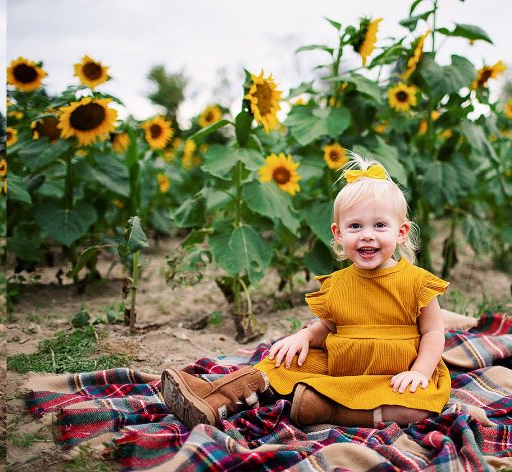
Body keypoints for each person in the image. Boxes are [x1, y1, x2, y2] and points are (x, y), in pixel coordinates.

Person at [161, 152, 451, 429]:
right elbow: (327, 326)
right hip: (342, 365)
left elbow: (433, 333)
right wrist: (303, 335)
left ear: (400, 232)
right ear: (338, 234)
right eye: (355, 226)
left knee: (420, 405)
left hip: (394, 373)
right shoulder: (338, 283)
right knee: (282, 362)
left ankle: (322, 407)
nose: (367, 235)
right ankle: (213, 398)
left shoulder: (417, 282)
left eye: (379, 225)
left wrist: (420, 372)